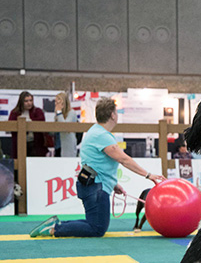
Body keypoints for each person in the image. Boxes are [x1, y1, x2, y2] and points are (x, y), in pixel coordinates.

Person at [29, 97, 166, 237]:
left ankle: (57, 225)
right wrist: (149, 175)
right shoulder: (102, 136)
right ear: (112, 115)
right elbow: (124, 159)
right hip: (95, 188)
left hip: (92, 185)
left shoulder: (95, 131)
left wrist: (114, 184)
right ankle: (55, 229)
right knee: (97, 228)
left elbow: (98, 163)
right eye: (116, 112)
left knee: (93, 223)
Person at [8, 91, 47, 158]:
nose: (29, 103)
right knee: (20, 163)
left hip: (35, 144)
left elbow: (41, 121)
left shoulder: (38, 111)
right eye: (26, 101)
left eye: (30, 100)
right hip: (20, 143)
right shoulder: (15, 112)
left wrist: (30, 122)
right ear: (21, 102)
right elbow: (10, 125)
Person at [53, 92, 78, 157]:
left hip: (68, 145)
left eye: (58, 103)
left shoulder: (71, 113)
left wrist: (59, 112)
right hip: (58, 144)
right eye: (55, 102)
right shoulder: (58, 115)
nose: (56, 104)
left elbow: (64, 126)